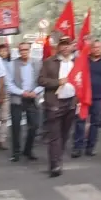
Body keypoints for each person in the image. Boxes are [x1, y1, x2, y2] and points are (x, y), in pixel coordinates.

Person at [38, 37, 77, 178]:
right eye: (63, 45)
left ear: (72, 46)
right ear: (59, 47)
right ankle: (54, 165)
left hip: (71, 102)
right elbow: (41, 80)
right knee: (54, 135)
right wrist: (57, 82)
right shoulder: (49, 62)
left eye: (68, 45)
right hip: (55, 103)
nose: (65, 48)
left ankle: (58, 158)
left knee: (65, 134)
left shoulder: (77, 62)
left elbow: (84, 80)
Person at [72, 40, 101, 157]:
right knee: (80, 122)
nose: (97, 49)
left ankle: (91, 147)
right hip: (83, 98)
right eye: (94, 47)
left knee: (95, 123)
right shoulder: (84, 61)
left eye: (99, 47)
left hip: (98, 97)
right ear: (91, 49)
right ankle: (77, 147)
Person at [5, 42, 42, 163]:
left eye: (26, 49)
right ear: (18, 51)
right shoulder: (12, 64)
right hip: (18, 98)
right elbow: (9, 84)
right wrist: (22, 92)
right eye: (21, 50)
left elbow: (41, 81)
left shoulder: (37, 63)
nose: (24, 52)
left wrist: (35, 92)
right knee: (16, 127)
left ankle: (28, 150)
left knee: (34, 126)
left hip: (32, 98)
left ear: (29, 50)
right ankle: (16, 152)